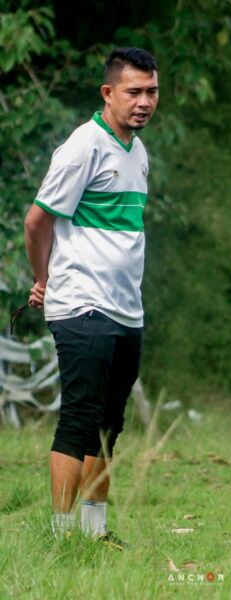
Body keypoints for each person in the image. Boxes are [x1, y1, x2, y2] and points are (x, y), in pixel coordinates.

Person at [24, 47, 159, 548]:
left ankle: (95, 531)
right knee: (80, 418)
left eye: (152, 92)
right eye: (134, 92)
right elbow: (36, 221)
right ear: (108, 93)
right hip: (82, 304)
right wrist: (43, 279)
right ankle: (61, 539)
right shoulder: (83, 146)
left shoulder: (138, 152)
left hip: (126, 309)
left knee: (109, 424)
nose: (144, 102)